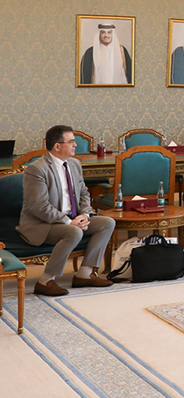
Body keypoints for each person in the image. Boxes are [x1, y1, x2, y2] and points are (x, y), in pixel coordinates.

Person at [18, 125, 116, 296]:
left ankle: (85, 274)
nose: (75, 145)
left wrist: (85, 215)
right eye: (71, 142)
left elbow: (84, 193)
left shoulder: (75, 164)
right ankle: (46, 280)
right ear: (57, 146)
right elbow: (39, 206)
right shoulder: (37, 169)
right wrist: (69, 222)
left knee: (107, 223)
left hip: (73, 219)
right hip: (42, 224)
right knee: (73, 232)